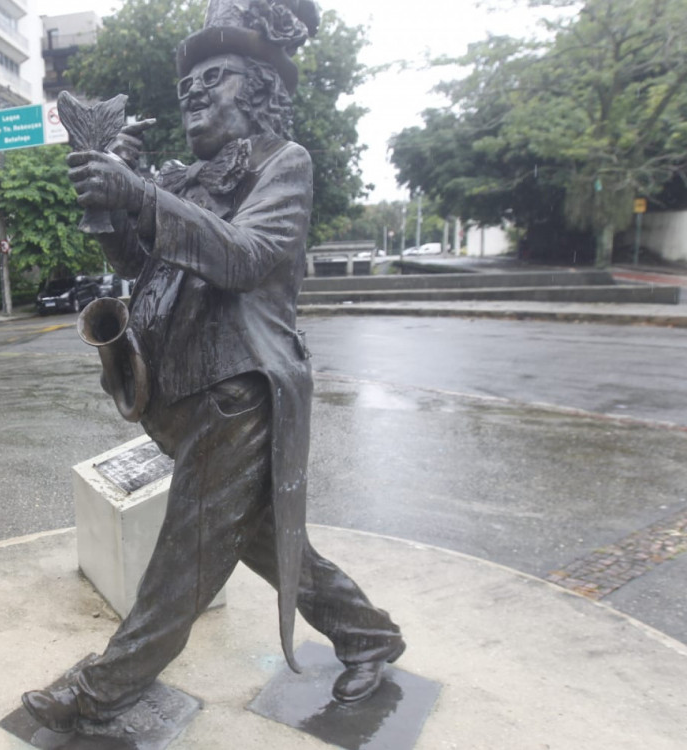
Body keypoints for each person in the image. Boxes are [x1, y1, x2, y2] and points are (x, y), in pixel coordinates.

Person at [22, 0, 404, 733]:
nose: (193, 90)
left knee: (185, 561)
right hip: (181, 395)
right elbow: (144, 266)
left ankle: (98, 692)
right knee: (259, 537)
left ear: (259, 91)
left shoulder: (283, 165)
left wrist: (145, 193)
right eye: (187, 83)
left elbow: (247, 258)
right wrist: (115, 208)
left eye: (215, 76)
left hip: (240, 393)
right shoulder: (189, 177)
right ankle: (369, 635)